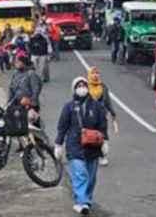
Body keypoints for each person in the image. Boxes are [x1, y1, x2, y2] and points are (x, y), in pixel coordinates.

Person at [55, 76, 108, 215]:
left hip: (93, 147)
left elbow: (103, 125)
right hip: (75, 146)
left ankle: (86, 200)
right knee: (80, 175)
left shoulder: (97, 106)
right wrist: (58, 144)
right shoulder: (69, 107)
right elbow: (62, 126)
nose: (81, 88)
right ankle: (81, 202)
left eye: (83, 85)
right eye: (78, 86)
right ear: (74, 89)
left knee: (91, 178)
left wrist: (105, 142)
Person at [86, 67, 119, 165]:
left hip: (102, 115)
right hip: (89, 116)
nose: (95, 75)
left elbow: (108, 102)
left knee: (103, 135)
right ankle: (90, 154)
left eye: (97, 73)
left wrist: (113, 114)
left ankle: (103, 155)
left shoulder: (103, 87)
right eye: (93, 73)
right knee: (90, 135)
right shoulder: (86, 87)